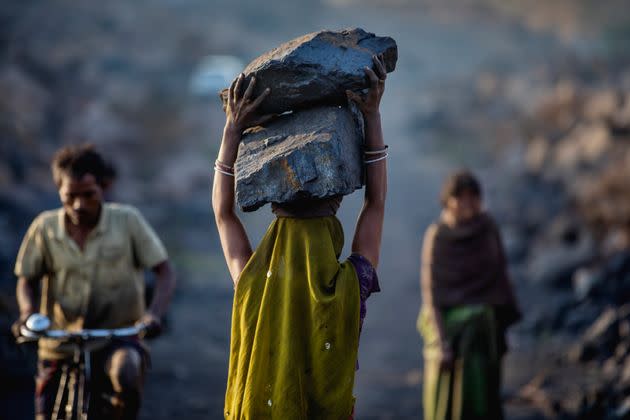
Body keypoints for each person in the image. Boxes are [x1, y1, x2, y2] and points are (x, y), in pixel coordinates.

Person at [212, 55, 388, 418]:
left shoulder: (253, 281)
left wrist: (232, 131)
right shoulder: (352, 285)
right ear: (337, 203)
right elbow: (376, 202)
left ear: (274, 210)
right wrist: (372, 115)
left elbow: (223, 213)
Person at [12, 144, 176, 420]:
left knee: (126, 372)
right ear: (58, 191)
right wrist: (27, 314)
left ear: (104, 187)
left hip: (118, 338)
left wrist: (153, 315)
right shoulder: (44, 227)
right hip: (59, 339)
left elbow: (165, 272)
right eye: (69, 196)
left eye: (88, 195)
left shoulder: (128, 221)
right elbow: (26, 279)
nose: (79, 205)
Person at [418, 170, 521, 420]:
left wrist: (503, 316)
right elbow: (431, 293)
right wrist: (443, 344)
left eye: (473, 197)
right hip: (443, 318)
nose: (467, 203)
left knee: (481, 321)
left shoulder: (487, 227)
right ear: (447, 201)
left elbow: (499, 274)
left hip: (484, 319)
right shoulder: (438, 235)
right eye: (460, 197)